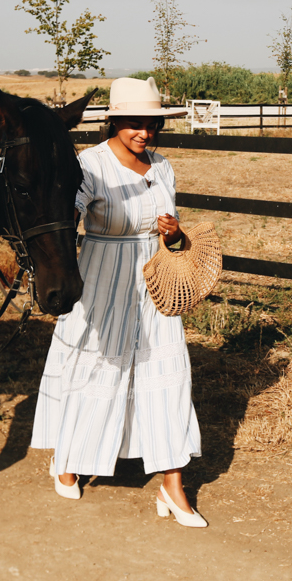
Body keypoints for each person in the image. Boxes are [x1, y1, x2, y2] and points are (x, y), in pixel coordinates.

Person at [30, 76, 207, 528]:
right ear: (114, 121)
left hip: (154, 279)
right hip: (102, 275)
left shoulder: (163, 166)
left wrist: (174, 231)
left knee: (167, 373)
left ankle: (172, 483)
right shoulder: (89, 165)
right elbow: (65, 211)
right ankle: (69, 457)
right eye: (134, 123)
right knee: (93, 366)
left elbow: (176, 222)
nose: (144, 133)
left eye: (151, 124)